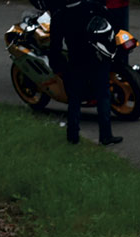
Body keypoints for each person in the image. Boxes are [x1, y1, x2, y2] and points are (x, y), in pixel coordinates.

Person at [49, 0, 123, 146]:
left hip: (76, 61)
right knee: (103, 96)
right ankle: (106, 135)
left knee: (75, 99)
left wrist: (58, 67)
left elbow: (55, 46)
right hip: (97, 58)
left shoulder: (60, 16)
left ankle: (73, 135)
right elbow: (115, 24)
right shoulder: (93, 7)